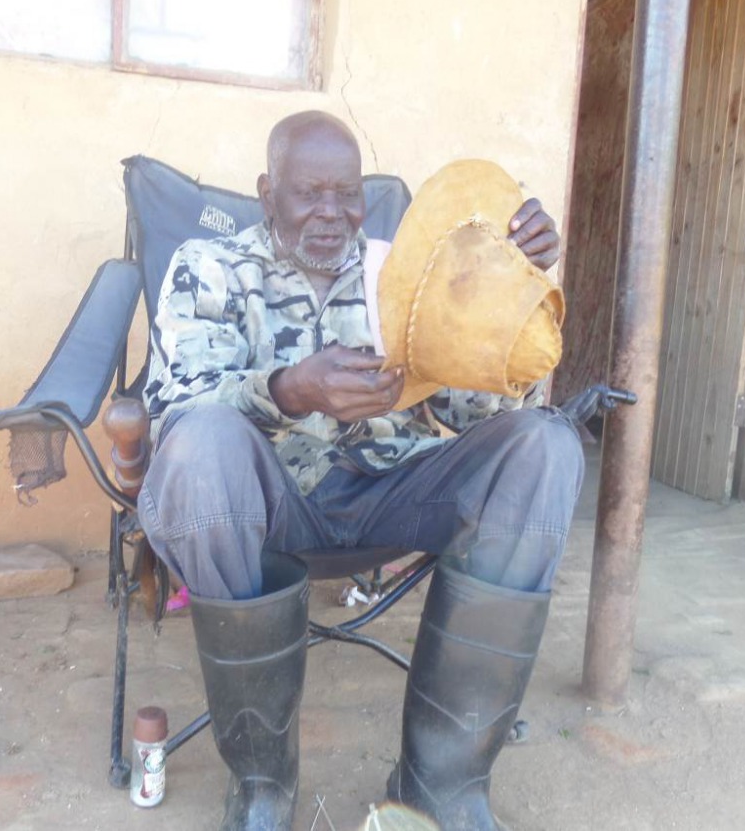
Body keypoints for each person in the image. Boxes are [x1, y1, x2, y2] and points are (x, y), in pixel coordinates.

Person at [136, 111, 585, 831]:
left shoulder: (403, 275)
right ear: (266, 192)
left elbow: (482, 411)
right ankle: (262, 783)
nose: (331, 214)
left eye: (347, 194)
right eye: (308, 193)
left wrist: (510, 286)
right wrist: (290, 389)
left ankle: (442, 782)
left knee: (545, 447)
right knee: (200, 446)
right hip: (269, 505)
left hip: (393, 491)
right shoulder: (211, 268)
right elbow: (175, 405)